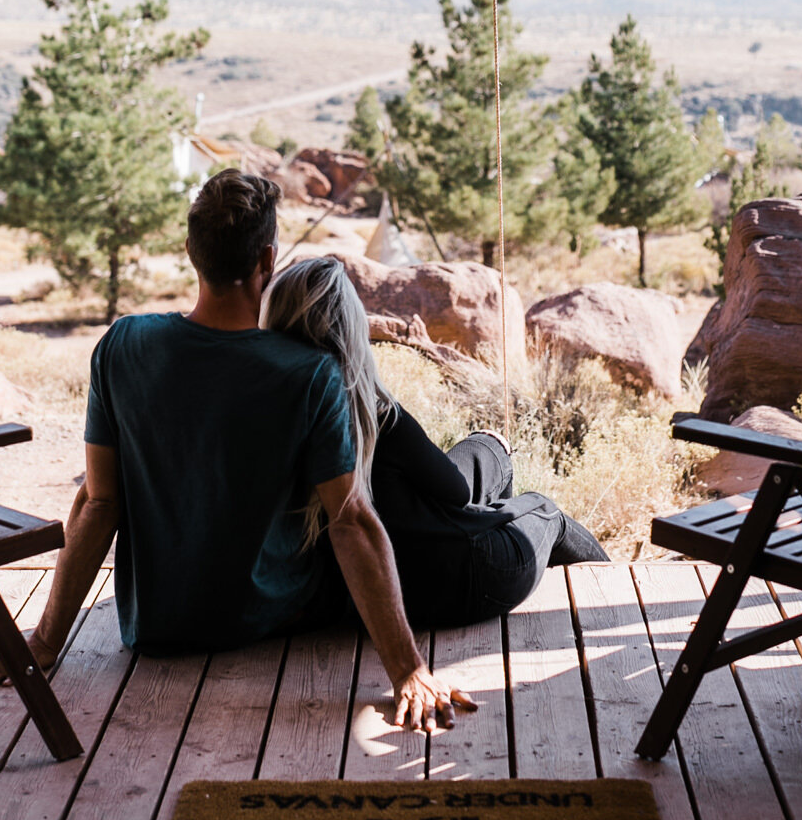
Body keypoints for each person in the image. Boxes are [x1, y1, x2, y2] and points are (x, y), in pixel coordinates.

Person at [0, 169, 474, 730]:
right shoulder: (309, 374)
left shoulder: (122, 347)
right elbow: (350, 522)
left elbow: (97, 503)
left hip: (155, 629)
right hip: (271, 617)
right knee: (389, 497)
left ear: (191, 253)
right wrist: (408, 671)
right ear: (267, 261)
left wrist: (42, 642)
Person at [261, 254, 609, 629]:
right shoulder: (379, 419)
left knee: (487, 448)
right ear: (351, 331)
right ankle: (616, 599)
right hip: (466, 583)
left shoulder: (271, 421)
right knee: (545, 511)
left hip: (367, 594)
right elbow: (456, 493)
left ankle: (491, 449)